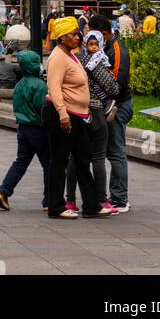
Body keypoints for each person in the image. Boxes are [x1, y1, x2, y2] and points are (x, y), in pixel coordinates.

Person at [44, 16, 111, 219]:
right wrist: (63, 114)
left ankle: (91, 205)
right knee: (60, 160)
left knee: (83, 158)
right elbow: (54, 88)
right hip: (63, 115)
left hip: (78, 114)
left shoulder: (70, 54)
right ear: (62, 38)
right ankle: (56, 206)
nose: (78, 37)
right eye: (73, 34)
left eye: (77, 33)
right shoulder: (57, 57)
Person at [64, 31, 119, 214]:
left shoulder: (74, 60)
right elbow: (113, 88)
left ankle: (70, 200)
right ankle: (102, 200)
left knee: (75, 158)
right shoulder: (97, 62)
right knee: (98, 157)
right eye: (92, 44)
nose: (94, 47)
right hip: (95, 111)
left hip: (76, 112)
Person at [0, 49, 50, 211]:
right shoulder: (40, 85)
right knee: (48, 164)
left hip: (23, 129)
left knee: (21, 162)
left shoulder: (19, 85)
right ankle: (49, 199)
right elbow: (43, 108)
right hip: (38, 130)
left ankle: (3, 191)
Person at [95, 15, 132, 213]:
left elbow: (116, 85)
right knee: (111, 152)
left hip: (118, 105)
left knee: (116, 152)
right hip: (108, 105)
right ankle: (115, 195)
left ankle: (120, 198)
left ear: (103, 34)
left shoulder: (117, 51)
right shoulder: (104, 49)